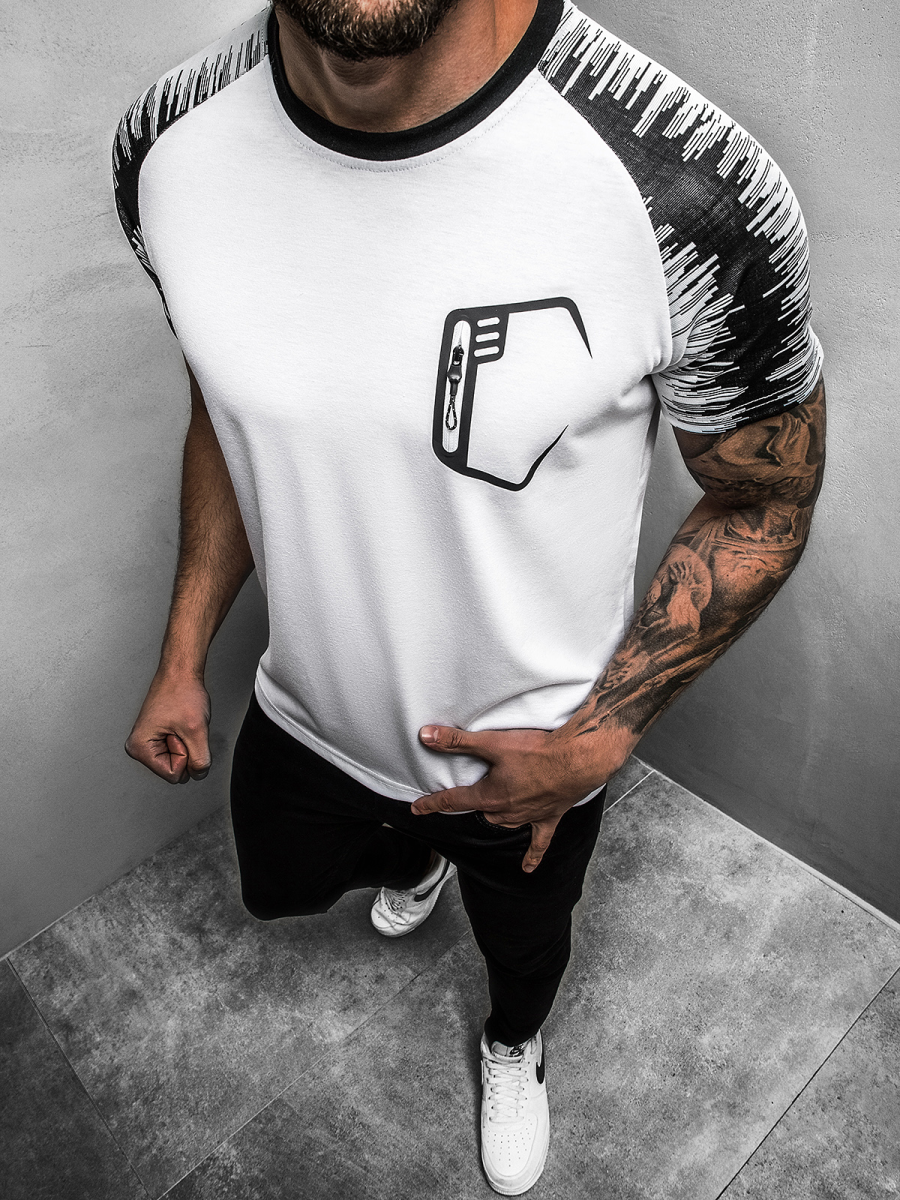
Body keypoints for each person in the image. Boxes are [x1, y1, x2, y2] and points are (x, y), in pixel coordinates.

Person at [115, 0, 826, 1190]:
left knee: (525, 951)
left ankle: (513, 1046)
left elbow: (766, 497)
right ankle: (411, 861)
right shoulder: (167, 150)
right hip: (311, 713)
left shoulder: (684, 188)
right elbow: (227, 411)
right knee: (285, 886)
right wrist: (184, 651)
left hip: (531, 755)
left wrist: (597, 742)